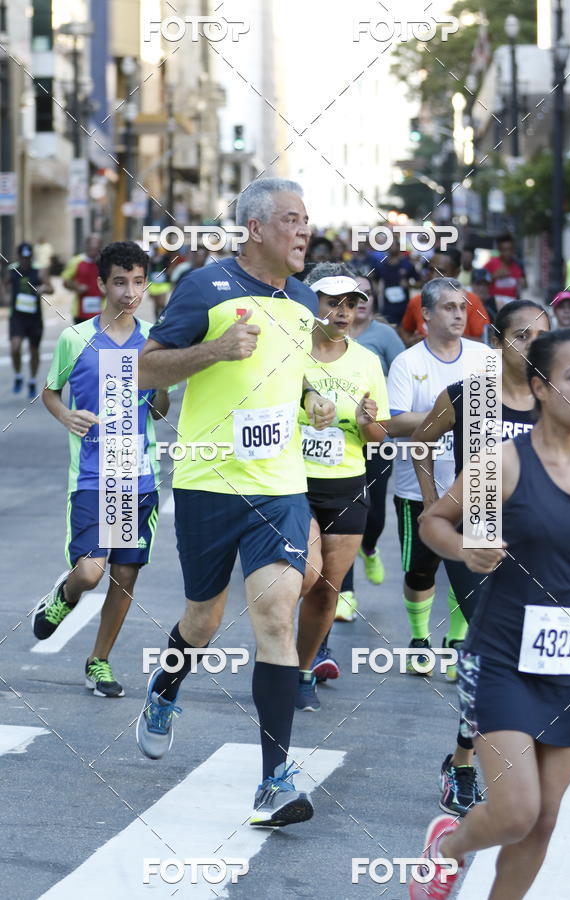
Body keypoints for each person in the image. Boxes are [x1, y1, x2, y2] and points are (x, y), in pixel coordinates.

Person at [134, 177, 336, 828]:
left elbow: (290, 376)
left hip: (278, 486)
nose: (304, 230)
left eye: (306, 219)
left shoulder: (304, 300)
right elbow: (144, 368)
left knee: (275, 617)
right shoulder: (205, 287)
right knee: (203, 620)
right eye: (291, 219)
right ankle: (166, 686)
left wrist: (313, 399)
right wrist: (215, 351)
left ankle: (274, 780)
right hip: (207, 481)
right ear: (254, 228)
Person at [412, 329, 570, 900]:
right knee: (517, 813)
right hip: (501, 657)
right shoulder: (505, 463)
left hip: (569, 663)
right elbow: (434, 523)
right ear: (540, 387)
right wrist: (465, 549)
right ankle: (447, 846)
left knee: (543, 822)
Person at [411, 300, 551, 815]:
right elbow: (421, 442)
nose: (533, 346)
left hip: (533, 543)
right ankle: (464, 765)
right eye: (522, 336)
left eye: (541, 336)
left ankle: (468, 756)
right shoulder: (467, 395)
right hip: (474, 539)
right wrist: (433, 504)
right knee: (497, 649)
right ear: (498, 341)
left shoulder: (553, 402)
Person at [33, 241, 170, 697]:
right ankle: (64, 595)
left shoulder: (154, 339)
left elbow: (159, 409)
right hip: (93, 476)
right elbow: (51, 391)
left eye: (138, 282)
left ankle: (100, 661)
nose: (130, 292)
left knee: (125, 575)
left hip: (139, 476)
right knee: (91, 572)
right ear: (102, 285)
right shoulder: (76, 339)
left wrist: (160, 381)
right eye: (119, 282)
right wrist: (64, 415)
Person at [295, 264, 389, 708]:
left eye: (350, 304)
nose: (343, 312)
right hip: (292, 483)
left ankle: (302, 671)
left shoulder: (367, 361)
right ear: (310, 304)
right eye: (333, 303)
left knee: (327, 589)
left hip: (347, 484)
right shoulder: (291, 353)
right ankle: (277, 657)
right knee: (303, 574)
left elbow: (378, 435)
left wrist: (369, 422)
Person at [385, 277, 489, 675]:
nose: (459, 315)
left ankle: (457, 640)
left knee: (471, 567)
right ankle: (419, 637)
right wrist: (453, 414)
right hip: (417, 490)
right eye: (449, 307)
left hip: (474, 487)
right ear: (426, 314)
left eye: (462, 307)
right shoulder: (408, 362)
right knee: (420, 570)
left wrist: (442, 415)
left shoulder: (483, 357)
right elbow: (395, 423)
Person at [334, 267, 405, 626]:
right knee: (345, 513)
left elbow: (403, 375)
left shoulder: (384, 336)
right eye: (351, 297)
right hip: (340, 439)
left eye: (365, 295)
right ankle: (344, 592)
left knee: (374, 514)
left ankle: (370, 546)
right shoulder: (329, 333)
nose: (358, 303)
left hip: (377, 436)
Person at [399, 249, 489, 347]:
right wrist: (410, 342)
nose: (433, 276)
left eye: (440, 271)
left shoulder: (472, 302)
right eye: (431, 270)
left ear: (456, 273)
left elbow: (485, 341)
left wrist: (445, 338)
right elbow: (405, 330)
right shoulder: (417, 301)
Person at [6, 241, 53, 398]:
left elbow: (50, 288)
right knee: (15, 347)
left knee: (34, 351)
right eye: (23, 257)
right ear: (18, 256)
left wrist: (43, 288)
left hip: (34, 317)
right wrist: (4, 296)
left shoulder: (39, 270)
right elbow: (4, 284)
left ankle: (32, 380)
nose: (25, 260)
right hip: (17, 316)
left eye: (28, 257)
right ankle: (18, 375)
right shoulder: (12, 270)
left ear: (31, 257)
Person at [372, 235, 420, 327]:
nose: (391, 247)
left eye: (393, 245)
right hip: (387, 307)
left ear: (398, 246)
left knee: (404, 329)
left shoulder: (407, 264)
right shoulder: (382, 264)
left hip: (404, 307)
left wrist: (409, 285)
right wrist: (375, 288)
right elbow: (374, 278)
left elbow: (420, 282)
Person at [62, 234, 103, 324]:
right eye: (92, 248)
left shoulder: (105, 262)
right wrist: (76, 286)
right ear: (87, 246)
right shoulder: (76, 261)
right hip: (80, 312)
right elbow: (65, 281)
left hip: (102, 312)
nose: (94, 251)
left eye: (96, 248)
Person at [483, 233, 525, 306]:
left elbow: (522, 285)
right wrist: (493, 276)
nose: (508, 253)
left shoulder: (517, 266)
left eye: (510, 250)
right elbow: (479, 281)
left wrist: (522, 282)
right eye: (504, 250)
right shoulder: (491, 264)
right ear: (499, 250)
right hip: (493, 305)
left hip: (511, 305)